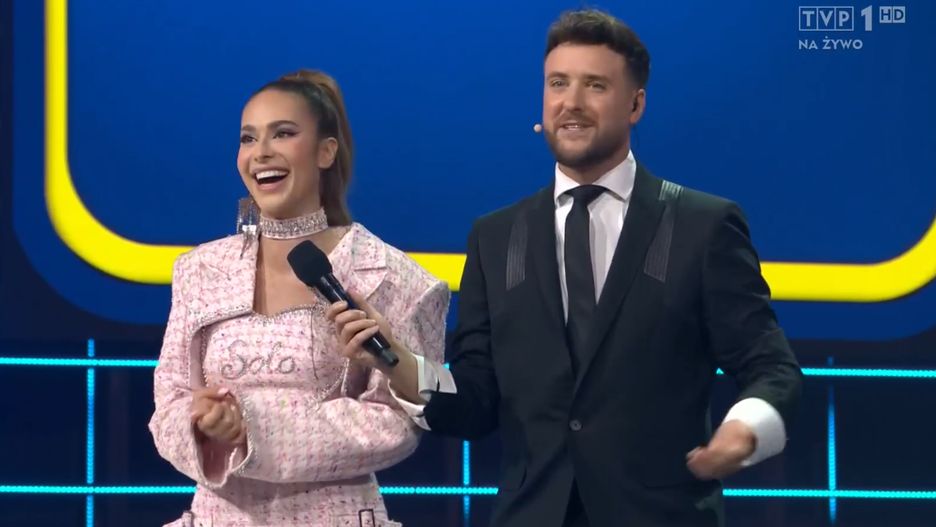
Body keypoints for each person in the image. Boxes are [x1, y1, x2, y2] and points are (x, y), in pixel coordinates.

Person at [329, 10, 802, 527]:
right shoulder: (496, 237)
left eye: (595, 85)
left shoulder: (702, 225)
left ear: (636, 104)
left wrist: (746, 429)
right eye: (558, 83)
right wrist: (401, 363)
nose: (570, 102)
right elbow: (477, 400)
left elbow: (770, 367)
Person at [148, 69, 449, 527]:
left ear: (327, 151)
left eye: (283, 133)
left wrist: (254, 427)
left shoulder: (391, 277)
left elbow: (397, 424)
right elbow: (168, 405)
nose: (261, 153)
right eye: (248, 138)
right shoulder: (200, 271)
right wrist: (202, 424)